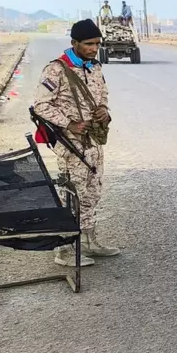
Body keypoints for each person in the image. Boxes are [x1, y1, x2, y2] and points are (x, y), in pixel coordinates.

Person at [33, 19, 122, 266]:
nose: (94, 49)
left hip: (93, 141)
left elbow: (102, 94)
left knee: (92, 191)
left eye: (97, 44)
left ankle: (88, 242)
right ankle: (63, 251)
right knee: (72, 194)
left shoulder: (95, 67)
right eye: (89, 44)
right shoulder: (56, 70)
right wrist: (68, 124)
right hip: (70, 143)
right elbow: (41, 106)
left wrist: (104, 109)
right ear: (74, 43)